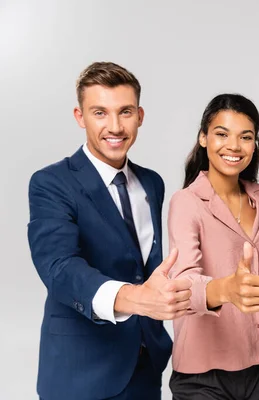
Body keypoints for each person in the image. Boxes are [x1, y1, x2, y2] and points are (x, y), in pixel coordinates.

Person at [27, 62, 192, 400]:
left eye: (125, 112)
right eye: (100, 112)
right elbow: (59, 268)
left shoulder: (152, 183)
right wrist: (136, 299)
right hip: (81, 373)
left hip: (144, 366)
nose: (115, 126)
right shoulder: (52, 183)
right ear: (80, 116)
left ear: (140, 115)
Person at [167, 94, 259, 400]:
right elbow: (182, 282)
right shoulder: (186, 202)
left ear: (255, 144)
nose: (234, 146)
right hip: (204, 374)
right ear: (203, 138)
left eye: (246, 137)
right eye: (222, 134)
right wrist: (227, 289)